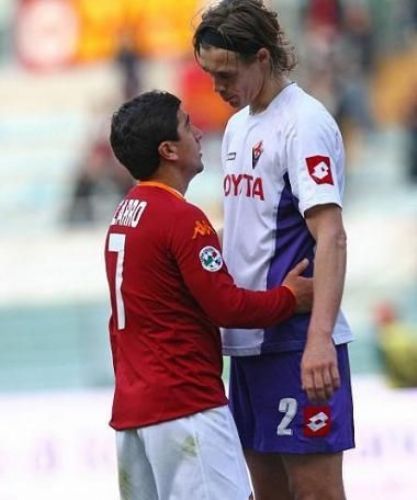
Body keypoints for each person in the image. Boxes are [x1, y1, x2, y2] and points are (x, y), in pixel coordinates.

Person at [104, 90, 313, 500]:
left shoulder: (125, 213)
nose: (198, 133)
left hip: (133, 411)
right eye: (187, 125)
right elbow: (226, 306)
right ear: (168, 150)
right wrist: (290, 297)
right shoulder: (181, 218)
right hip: (185, 405)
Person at [192, 1, 355, 499]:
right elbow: (248, 227)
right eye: (210, 74)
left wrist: (319, 338)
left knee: (316, 492)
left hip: (296, 343)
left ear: (262, 58)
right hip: (248, 344)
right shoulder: (238, 126)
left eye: (226, 74)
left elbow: (331, 234)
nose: (217, 87)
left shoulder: (304, 122)